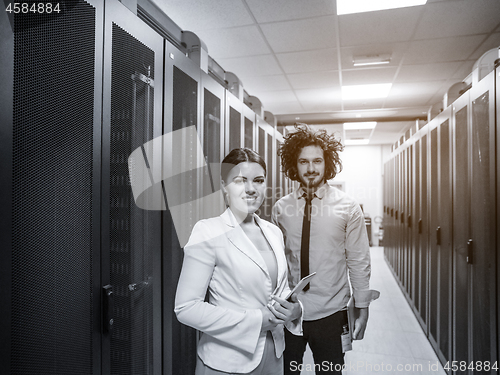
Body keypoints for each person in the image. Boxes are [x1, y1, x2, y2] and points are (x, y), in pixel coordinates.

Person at [175, 148, 303, 375]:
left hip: (274, 354)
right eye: (240, 181)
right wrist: (256, 320)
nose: (251, 189)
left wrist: (294, 310)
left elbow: (280, 289)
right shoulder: (207, 231)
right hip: (227, 361)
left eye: (259, 180)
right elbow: (186, 308)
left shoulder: (273, 232)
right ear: (224, 186)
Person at [272, 125, 379, 374]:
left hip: (332, 311)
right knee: (287, 371)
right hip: (290, 311)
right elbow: (276, 261)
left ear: (327, 162)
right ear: (294, 165)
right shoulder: (280, 208)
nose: (311, 168)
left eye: (317, 161)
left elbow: (358, 260)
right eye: (303, 162)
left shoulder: (348, 207)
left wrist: (362, 308)